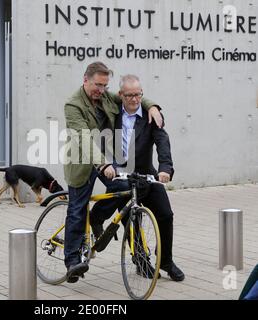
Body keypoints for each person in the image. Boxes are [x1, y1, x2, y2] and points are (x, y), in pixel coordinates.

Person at [63, 62, 163, 283]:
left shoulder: (106, 96)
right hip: (82, 162)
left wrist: (153, 106)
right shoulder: (73, 104)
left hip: (106, 158)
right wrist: (103, 165)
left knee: (124, 189)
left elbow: (132, 96)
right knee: (77, 210)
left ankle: (98, 217)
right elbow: (84, 138)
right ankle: (71, 261)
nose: (101, 90)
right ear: (85, 80)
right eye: (98, 85)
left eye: (104, 85)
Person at [90, 74, 185, 281]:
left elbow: (162, 141)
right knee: (131, 219)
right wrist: (105, 164)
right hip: (118, 172)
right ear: (121, 95)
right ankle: (141, 261)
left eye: (138, 95)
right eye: (130, 95)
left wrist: (165, 168)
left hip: (146, 173)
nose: (134, 99)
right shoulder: (111, 112)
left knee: (166, 215)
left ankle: (166, 260)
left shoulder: (150, 116)